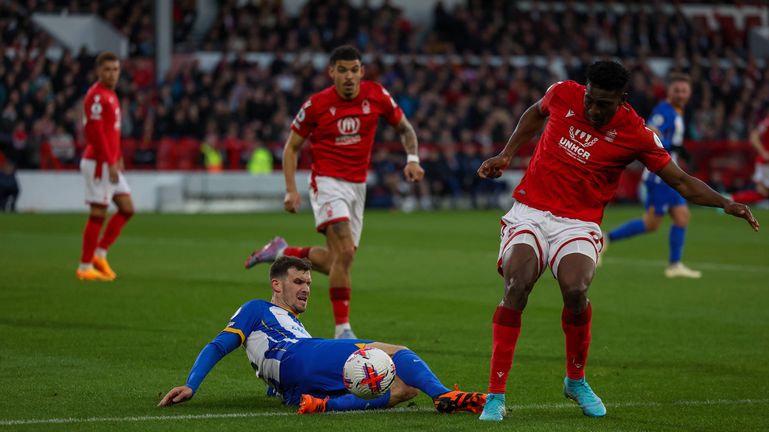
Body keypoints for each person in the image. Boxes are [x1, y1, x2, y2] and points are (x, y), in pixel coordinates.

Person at [475, 61, 759, 422]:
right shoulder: (563, 94)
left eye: (604, 105)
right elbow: (534, 113)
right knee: (517, 284)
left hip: (579, 223)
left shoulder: (636, 133)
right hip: (530, 211)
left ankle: (575, 380)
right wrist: (507, 153)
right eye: (590, 100)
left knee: (576, 290)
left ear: (622, 99)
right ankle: (496, 395)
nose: (594, 109)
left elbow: (681, 181)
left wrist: (725, 202)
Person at [244, 45, 425, 339]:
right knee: (345, 252)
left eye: (354, 70)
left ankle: (282, 252)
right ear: (332, 73)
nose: (349, 76)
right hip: (327, 182)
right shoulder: (317, 104)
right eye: (342, 70)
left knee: (336, 262)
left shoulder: (377, 95)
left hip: (357, 187)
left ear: (362, 72)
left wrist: (413, 159)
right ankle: (343, 329)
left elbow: (405, 129)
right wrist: (291, 190)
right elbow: (291, 147)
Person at [158, 256, 485, 415]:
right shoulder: (257, 308)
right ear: (276, 285)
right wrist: (191, 384)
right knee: (393, 352)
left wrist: (273, 385)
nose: (306, 289)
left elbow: (265, 362)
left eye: (309, 284)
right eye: (298, 282)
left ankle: (323, 405)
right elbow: (219, 345)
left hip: (295, 387)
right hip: (300, 355)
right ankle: (444, 395)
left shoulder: (294, 325)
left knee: (405, 389)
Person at [605, 74, 701, 278]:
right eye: (677, 90)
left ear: (690, 93)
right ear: (669, 91)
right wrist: (673, 146)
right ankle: (605, 239)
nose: (680, 94)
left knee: (682, 216)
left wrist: (676, 149)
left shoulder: (677, 111)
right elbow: (650, 132)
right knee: (651, 223)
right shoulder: (664, 111)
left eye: (684, 91)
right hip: (659, 177)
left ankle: (674, 265)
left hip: (669, 175)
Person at [76, 52, 134, 281]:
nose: (112, 74)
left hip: (110, 161)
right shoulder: (97, 97)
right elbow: (95, 133)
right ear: (98, 71)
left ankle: (99, 255)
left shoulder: (110, 94)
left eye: (115, 69)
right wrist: (109, 161)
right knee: (98, 212)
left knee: (127, 208)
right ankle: (85, 266)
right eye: (107, 69)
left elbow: (111, 133)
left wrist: (118, 157)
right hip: (98, 163)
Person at [730, 113, 769, 205]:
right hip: (766, 163)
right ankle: (729, 200)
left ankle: (730, 199)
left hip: (764, 163)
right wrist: (764, 153)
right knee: (763, 192)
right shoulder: (767, 122)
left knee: (763, 193)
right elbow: (754, 137)